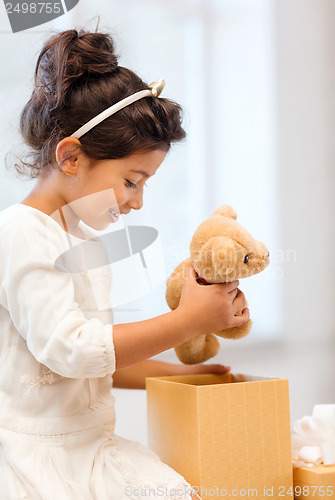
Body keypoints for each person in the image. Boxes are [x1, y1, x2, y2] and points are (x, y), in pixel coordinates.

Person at [0, 27, 249, 500]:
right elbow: (72, 350)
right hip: (40, 461)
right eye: (132, 181)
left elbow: (92, 365)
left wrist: (175, 374)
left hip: (93, 450)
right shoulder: (21, 232)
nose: (137, 202)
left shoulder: (80, 242)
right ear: (71, 157)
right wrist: (188, 321)